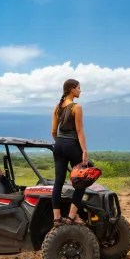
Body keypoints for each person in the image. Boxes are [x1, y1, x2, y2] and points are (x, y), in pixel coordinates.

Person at [51, 78, 89, 226]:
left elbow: (53, 131)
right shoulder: (76, 107)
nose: (80, 90)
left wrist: (59, 142)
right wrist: (84, 151)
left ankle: (57, 218)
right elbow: (79, 131)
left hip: (59, 144)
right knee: (82, 179)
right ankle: (72, 216)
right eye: (79, 88)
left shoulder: (57, 107)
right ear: (72, 89)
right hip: (72, 144)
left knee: (58, 182)